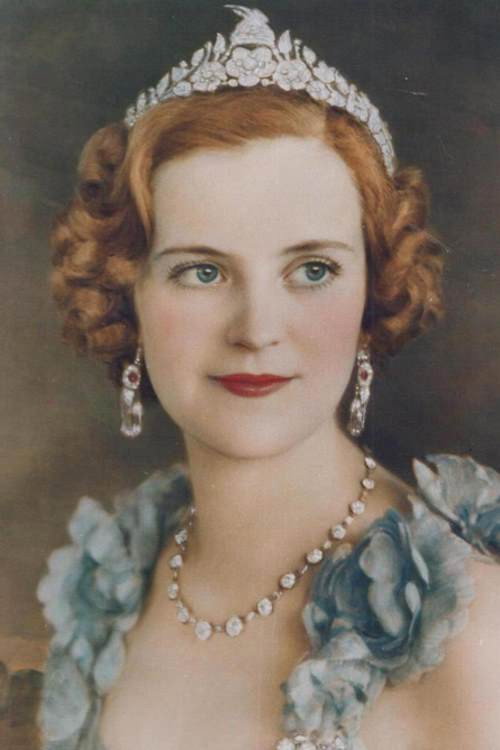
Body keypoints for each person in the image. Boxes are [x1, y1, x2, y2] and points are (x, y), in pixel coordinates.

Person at [37, 6, 500, 750]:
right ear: (127, 294)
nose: (257, 329)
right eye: (202, 271)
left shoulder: (471, 637)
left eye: (312, 270)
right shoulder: (113, 586)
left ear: (373, 290)